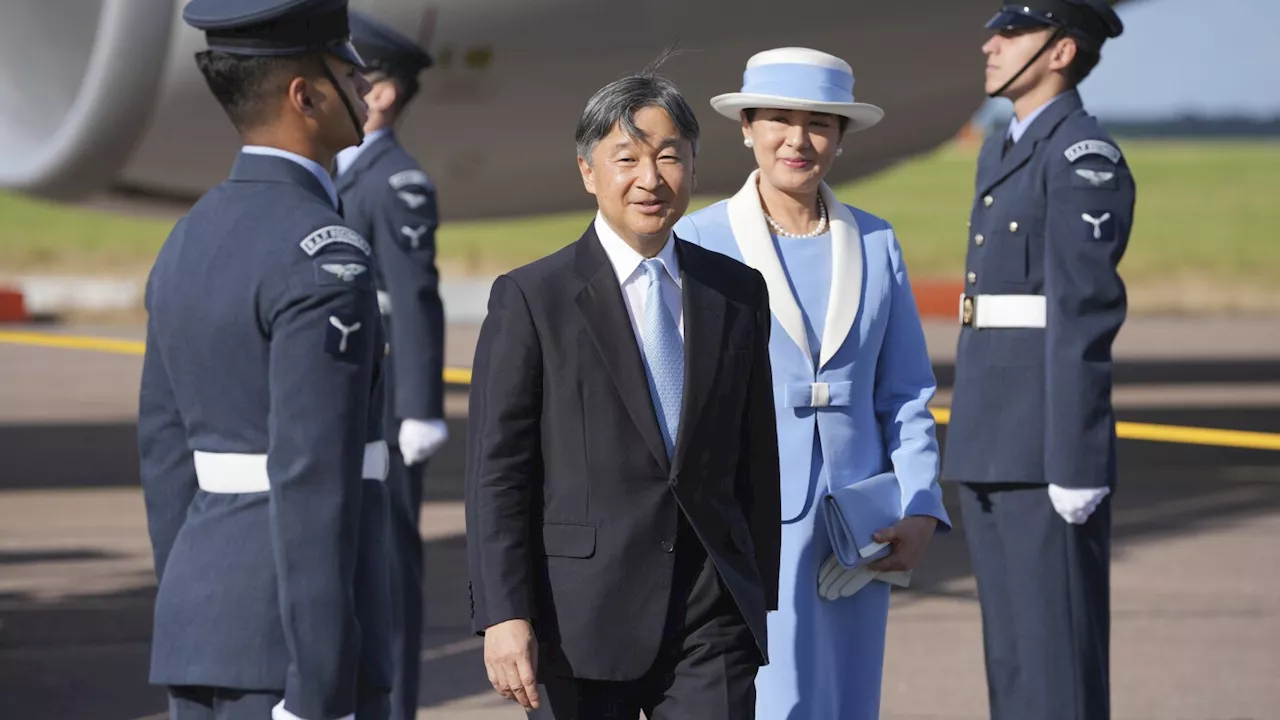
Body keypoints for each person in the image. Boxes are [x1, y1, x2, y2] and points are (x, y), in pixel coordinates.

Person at [463, 57, 782, 719]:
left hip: (710, 617)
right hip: (576, 620)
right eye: (626, 158)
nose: (649, 179)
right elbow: (497, 472)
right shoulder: (531, 299)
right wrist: (502, 614)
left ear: (693, 167)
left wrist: (756, 589)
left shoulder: (737, 292)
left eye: (669, 157)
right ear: (588, 171)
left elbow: (757, 453)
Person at [673, 47, 951, 719]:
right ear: (746, 128)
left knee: (846, 700)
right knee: (765, 700)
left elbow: (906, 392)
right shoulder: (699, 239)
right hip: (742, 524)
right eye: (778, 119)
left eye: (820, 123)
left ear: (841, 137)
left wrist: (919, 505)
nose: (798, 140)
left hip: (856, 527)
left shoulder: (877, 242)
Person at [136, 1, 393, 718]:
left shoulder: (188, 237)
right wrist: (317, 689)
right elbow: (313, 474)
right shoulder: (323, 251)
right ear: (304, 96)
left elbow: (163, 451)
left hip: (203, 627)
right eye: (349, 70)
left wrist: (199, 596)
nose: (367, 84)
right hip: (291, 655)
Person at [940, 3, 1135, 719]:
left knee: (1057, 669)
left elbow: (1082, 317)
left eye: (1013, 32)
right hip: (992, 439)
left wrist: (1076, 461)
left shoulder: (1082, 156)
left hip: (1045, 451)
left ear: (1060, 52)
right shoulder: (1004, 148)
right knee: (1015, 664)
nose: (991, 44)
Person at [334, 12, 442, 720]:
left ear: (380, 95)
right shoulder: (339, 170)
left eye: (351, 76)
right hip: (346, 391)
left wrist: (419, 407)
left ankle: (397, 705)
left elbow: (413, 297)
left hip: (387, 402)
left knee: (391, 565)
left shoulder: (396, 180)